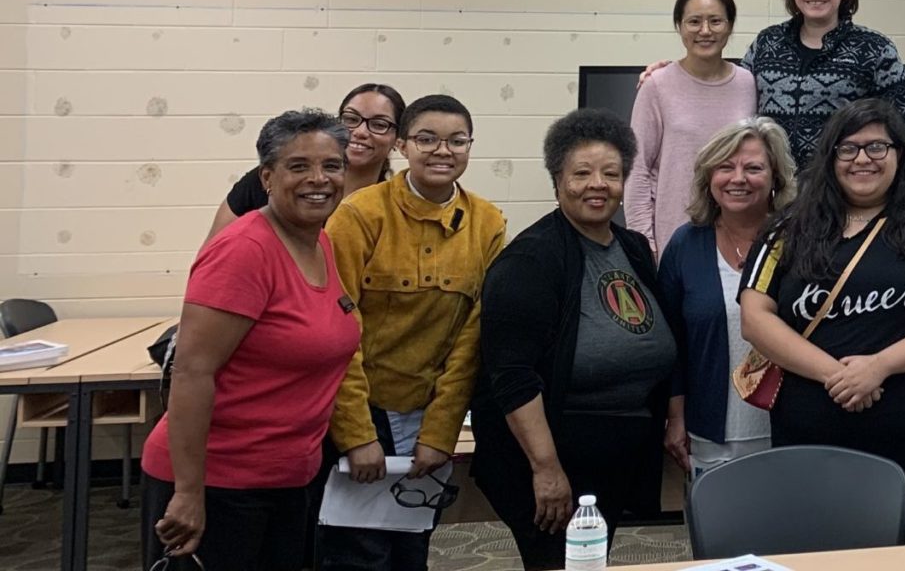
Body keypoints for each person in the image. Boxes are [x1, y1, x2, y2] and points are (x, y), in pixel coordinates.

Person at [143, 110, 361, 569]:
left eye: (331, 165)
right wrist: (188, 492)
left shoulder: (317, 241)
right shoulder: (244, 250)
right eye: (298, 166)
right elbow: (191, 370)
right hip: (219, 482)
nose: (318, 179)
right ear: (267, 176)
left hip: (284, 478)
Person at [473, 110, 678, 570]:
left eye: (611, 173)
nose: (597, 184)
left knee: (589, 562)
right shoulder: (530, 260)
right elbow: (512, 377)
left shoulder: (632, 248)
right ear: (557, 180)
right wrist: (546, 470)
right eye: (581, 173)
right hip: (552, 457)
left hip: (619, 450)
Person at [739, 99, 905, 485]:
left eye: (877, 147)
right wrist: (837, 374)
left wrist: (879, 366)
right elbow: (755, 319)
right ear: (830, 157)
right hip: (813, 438)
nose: (862, 159)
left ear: (900, 155)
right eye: (847, 148)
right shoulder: (787, 228)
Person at [321, 95, 508, 570]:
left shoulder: (487, 222)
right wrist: (357, 433)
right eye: (426, 139)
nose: (442, 151)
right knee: (358, 551)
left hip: (431, 410)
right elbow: (337, 330)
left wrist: (442, 430)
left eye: (456, 140)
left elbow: (472, 339)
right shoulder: (359, 214)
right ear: (402, 144)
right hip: (363, 408)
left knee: (411, 546)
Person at [655, 118, 797, 476]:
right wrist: (675, 417)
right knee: (716, 531)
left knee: (789, 530)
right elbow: (671, 343)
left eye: (753, 168)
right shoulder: (685, 245)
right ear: (708, 178)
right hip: (708, 435)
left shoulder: (801, 241)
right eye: (725, 167)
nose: (738, 179)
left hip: (791, 430)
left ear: (776, 177)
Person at [741, 0, 905, 167]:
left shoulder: (875, 49)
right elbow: (740, 115)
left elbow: (904, 130)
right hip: (772, 188)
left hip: (842, 189)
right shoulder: (766, 43)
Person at [627, 0, 758, 259]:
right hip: (673, 241)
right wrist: (644, 244)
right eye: (694, 21)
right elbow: (635, 170)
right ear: (679, 26)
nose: (705, 31)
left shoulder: (748, 84)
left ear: (730, 26)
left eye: (716, 21)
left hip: (738, 240)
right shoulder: (657, 86)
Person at [205, 84, 406, 242]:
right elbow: (211, 258)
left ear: (398, 139)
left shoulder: (396, 206)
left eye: (379, 124)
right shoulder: (269, 181)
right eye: (351, 119)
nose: (361, 132)